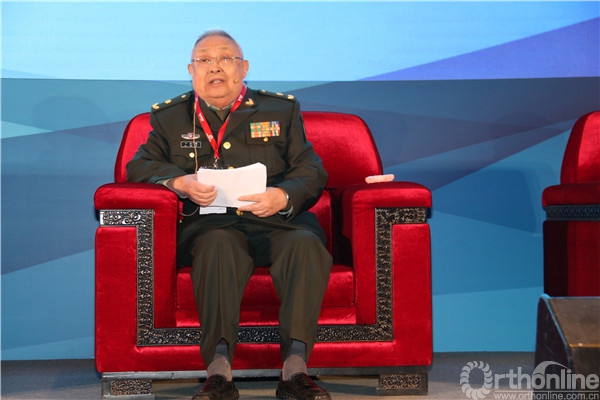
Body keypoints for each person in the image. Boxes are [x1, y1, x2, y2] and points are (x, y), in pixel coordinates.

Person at [126, 30, 333, 400]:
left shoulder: (279, 110)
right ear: (191, 71)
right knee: (219, 246)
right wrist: (179, 182)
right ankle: (219, 372)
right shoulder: (171, 117)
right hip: (211, 225)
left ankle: (295, 370)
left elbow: (310, 169)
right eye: (204, 60)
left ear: (244, 67)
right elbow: (139, 166)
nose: (215, 67)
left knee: (305, 245)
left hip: (276, 220)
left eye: (224, 58)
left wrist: (282, 195)